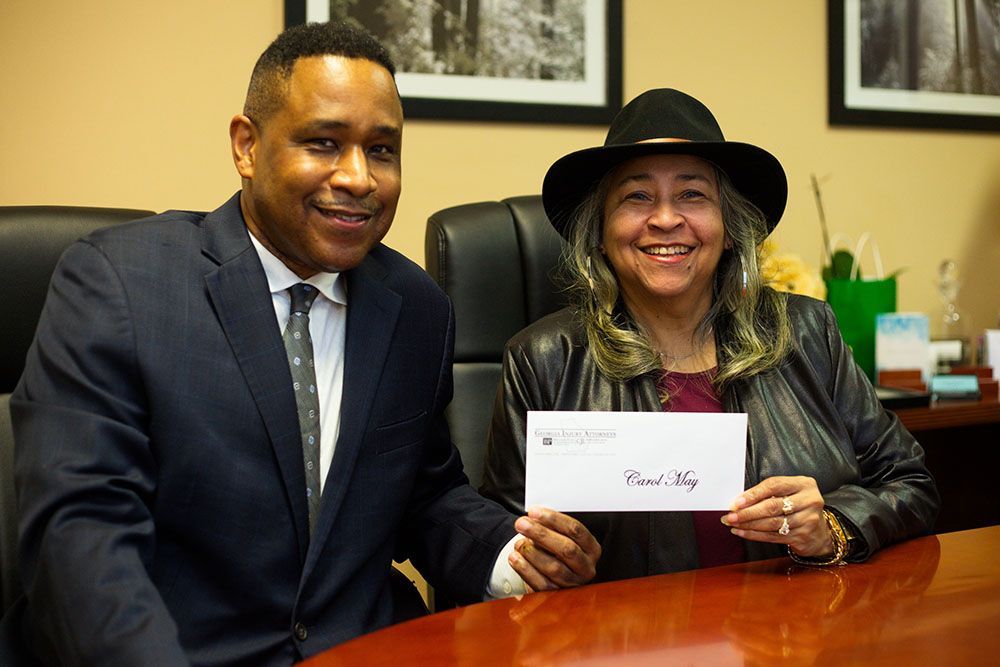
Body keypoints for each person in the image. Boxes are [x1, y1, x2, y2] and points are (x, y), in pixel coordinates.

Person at [6, 22, 599, 666]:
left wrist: (515, 557)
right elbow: (81, 535)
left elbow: (424, 494)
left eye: (382, 150)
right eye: (323, 143)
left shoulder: (416, 306)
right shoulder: (121, 282)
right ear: (246, 146)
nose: (358, 178)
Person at [481, 88, 939, 582]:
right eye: (636, 196)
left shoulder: (809, 333)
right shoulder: (544, 359)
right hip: (624, 644)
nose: (665, 218)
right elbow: (501, 537)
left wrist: (831, 525)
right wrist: (545, 564)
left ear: (729, 225)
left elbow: (910, 484)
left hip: (791, 639)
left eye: (692, 195)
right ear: (600, 229)